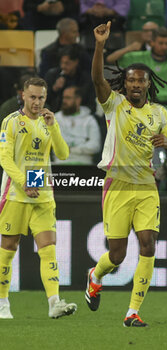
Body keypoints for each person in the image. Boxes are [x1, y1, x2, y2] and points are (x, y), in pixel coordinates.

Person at [85, 22, 167, 327]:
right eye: (131, 81)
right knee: (116, 255)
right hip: (117, 185)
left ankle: (132, 312)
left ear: (147, 83)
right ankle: (95, 275)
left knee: (149, 244)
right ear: (125, 85)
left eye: (141, 80)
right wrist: (100, 45)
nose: (137, 85)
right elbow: (97, 78)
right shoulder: (113, 105)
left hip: (146, 186)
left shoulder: (159, 113)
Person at [0, 77, 77, 319]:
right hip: (15, 194)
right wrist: (23, 182)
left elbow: (63, 154)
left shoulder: (48, 122)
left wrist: (54, 126)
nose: (37, 102)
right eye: (32, 97)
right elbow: (5, 160)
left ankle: (54, 303)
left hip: (43, 195)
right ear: (23, 95)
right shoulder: (11, 122)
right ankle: (2, 302)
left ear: (46, 97)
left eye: (41, 97)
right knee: (8, 249)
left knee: (48, 249)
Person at [54, 86, 101, 165]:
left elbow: (95, 145)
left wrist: (72, 150)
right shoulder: (56, 118)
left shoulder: (89, 120)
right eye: (63, 98)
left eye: (68, 98)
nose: (64, 101)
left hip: (84, 164)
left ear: (78, 100)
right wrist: (83, 142)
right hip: (60, 163)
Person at [45, 44, 95, 113]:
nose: (63, 66)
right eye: (61, 62)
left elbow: (91, 104)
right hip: (56, 115)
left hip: (80, 116)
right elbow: (45, 101)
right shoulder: (52, 75)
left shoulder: (85, 79)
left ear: (76, 62)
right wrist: (54, 89)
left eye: (67, 63)